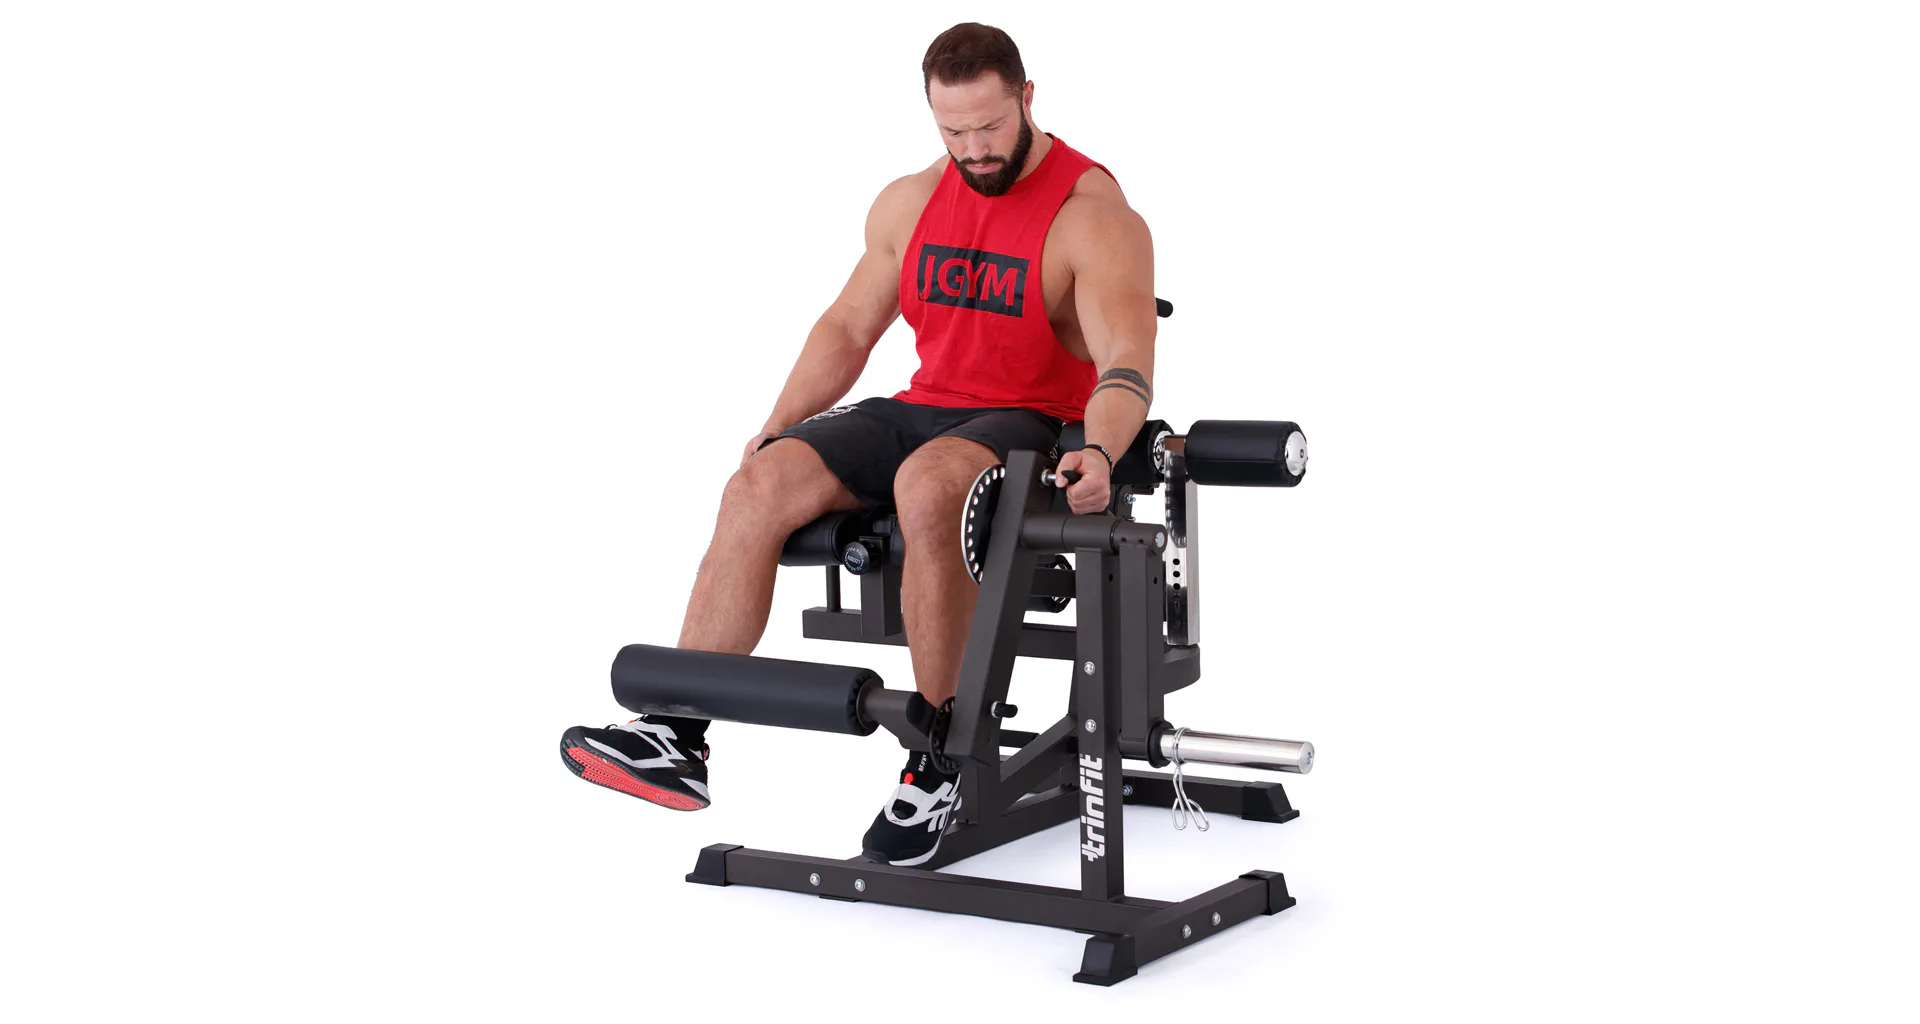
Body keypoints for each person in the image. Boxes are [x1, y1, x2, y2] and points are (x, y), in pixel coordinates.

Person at [560, 22, 1157, 867]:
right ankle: (674, 733)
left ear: (1028, 99)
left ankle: (944, 760)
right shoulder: (909, 202)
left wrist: (1100, 450)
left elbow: (1127, 358)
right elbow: (847, 326)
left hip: (1030, 417)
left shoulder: (1091, 217)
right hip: (922, 405)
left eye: (991, 127)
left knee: (927, 483)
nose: (974, 150)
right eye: (953, 131)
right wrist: (778, 424)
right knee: (759, 484)